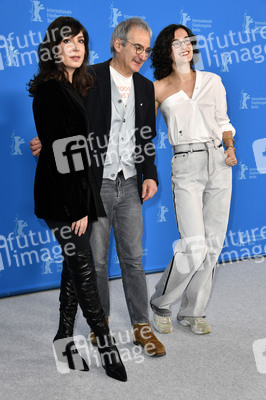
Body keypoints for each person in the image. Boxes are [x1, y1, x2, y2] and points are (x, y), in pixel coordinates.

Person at [30, 18, 166, 357]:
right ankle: (99, 321)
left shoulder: (146, 88)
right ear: (118, 44)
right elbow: (67, 125)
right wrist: (46, 142)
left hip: (131, 180)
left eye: (147, 50)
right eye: (138, 47)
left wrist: (150, 174)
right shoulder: (87, 78)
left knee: (133, 259)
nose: (142, 55)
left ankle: (141, 325)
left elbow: (145, 136)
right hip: (95, 182)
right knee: (98, 261)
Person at [28, 16, 127, 381]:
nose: (76, 48)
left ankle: (63, 340)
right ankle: (106, 346)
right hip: (62, 198)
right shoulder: (50, 90)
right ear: (54, 47)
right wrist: (76, 209)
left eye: (81, 41)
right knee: (84, 271)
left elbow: (79, 144)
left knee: (73, 269)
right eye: (68, 41)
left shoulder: (78, 85)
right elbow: (61, 153)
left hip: (79, 193)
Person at [150, 24, 237, 335]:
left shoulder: (212, 81)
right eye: (177, 42)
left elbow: (223, 121)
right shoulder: (158, 88)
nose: (185, 46)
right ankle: (161, 301)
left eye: (188, 41)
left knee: (212, 245)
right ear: (166, 50)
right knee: (195, 245)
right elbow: (135, 128)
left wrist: (229, 147)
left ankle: (192, 311)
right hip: (186, 163)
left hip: (219, 161)